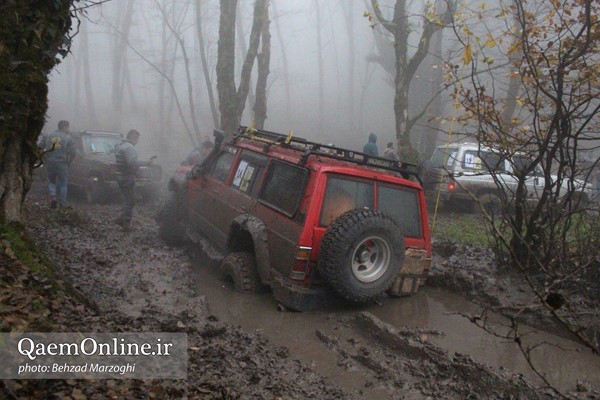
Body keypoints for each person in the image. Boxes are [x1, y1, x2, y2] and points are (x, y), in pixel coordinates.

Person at [114, 129, 153, 230]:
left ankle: (121, 218)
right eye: (137, 139)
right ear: (133, 137)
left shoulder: (121, 145)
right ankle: (126, 223)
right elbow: (132, 162)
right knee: (130, 201)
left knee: (127, 198)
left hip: (120, 176)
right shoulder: (129, 148)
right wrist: (146, 162)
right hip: (127, 177)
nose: (137, 141)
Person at [40, 120, 76, 209]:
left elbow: (40, 147)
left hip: (50, 162)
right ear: (64, 127)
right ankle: (62, 204)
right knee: (63, 183)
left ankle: (53, 198)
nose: (69, 129)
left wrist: (43, 159)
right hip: (62, 163)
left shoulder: (48, 135)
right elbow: (73, 152)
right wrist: (69, 162)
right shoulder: (68, 138)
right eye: (68, 127)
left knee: (51, 181)